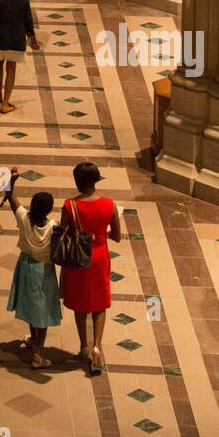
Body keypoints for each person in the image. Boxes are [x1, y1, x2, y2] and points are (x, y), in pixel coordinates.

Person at [60, 161, 122, 376]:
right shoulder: (110, 204)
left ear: (78, 181)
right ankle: (98, 345)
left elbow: (64, 233)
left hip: (80, 258)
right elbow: (117, 236)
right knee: (99, 304)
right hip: (100, 257)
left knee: (80, 305)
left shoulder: (70, 205)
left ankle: (84, 346)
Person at [3, 167, 62, 369]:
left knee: (30, 306)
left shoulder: (23, 218)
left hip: (25, 266)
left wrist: (13, 179)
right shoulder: (53, 227)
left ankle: (35, 341)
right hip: (43, 271)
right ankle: (38, 353)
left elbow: (9, 195)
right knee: (42, 312)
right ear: (48, 210)